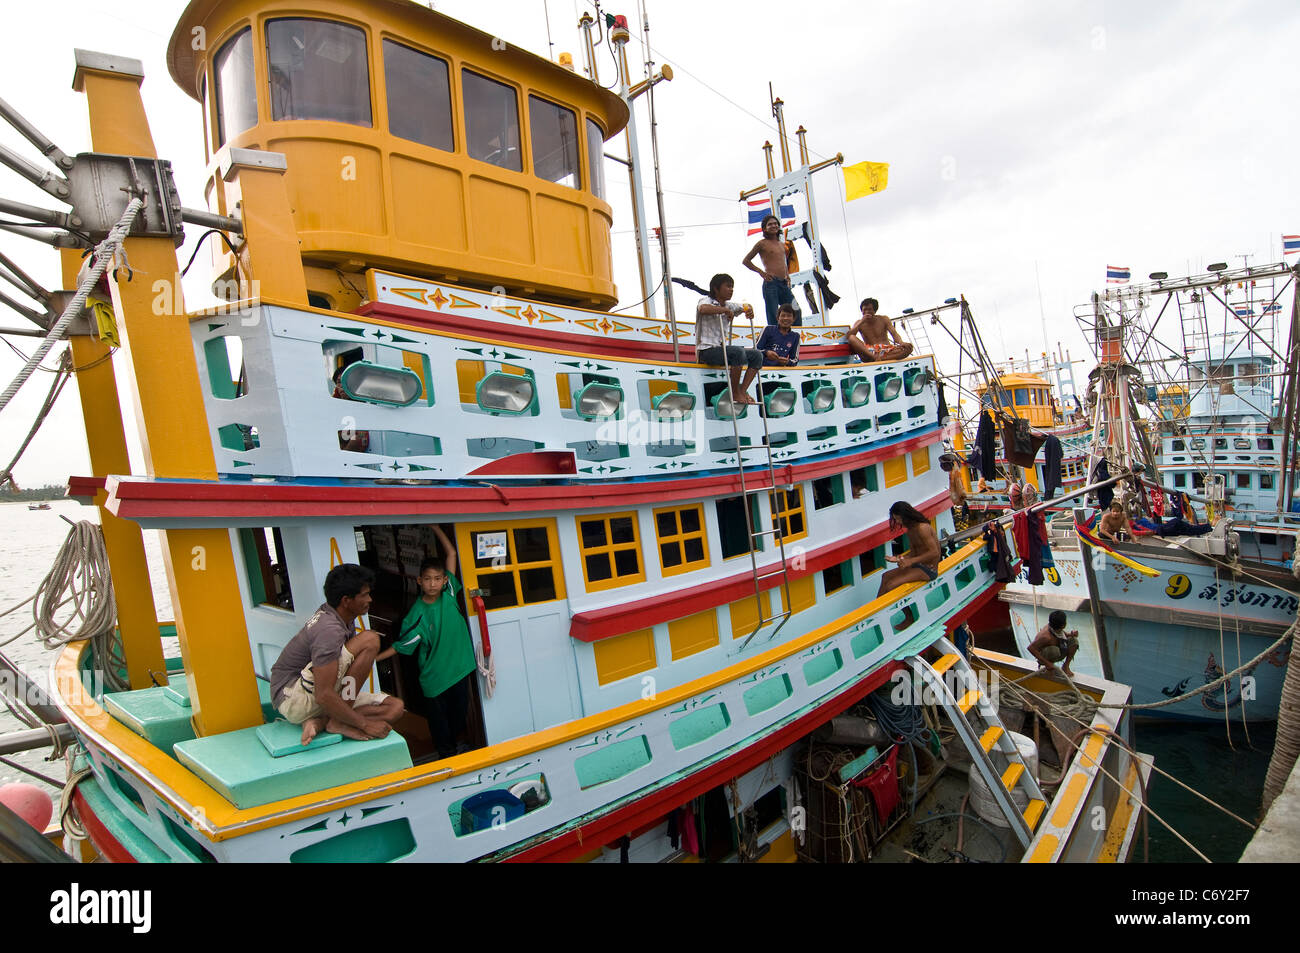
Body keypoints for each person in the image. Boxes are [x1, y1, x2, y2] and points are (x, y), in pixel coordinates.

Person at [268, 564, 406, 745]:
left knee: (395, 708)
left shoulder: (341, 615)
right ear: (346, 601)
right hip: (293, 697)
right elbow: (323, 695)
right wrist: (363, 724)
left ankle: (325, 722)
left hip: (314, 694)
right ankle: (338, 722)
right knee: (370, 639)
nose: (370, 599)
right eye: (364, 595)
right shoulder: (329, 630)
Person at [377, 525, 477, 760]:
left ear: (444, 581)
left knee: (460, 715)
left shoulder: (450, 594)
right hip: (434, 678)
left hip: (460, 669)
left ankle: (455, 750)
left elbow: (451, 553)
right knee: (439, 723)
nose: (433, 584)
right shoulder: (416, 614)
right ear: (419, 581)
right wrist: (373, 658)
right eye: (428, 579)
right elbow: (401, 646)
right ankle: (447, 755)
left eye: (437, 579)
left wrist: (435, 527)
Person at [696, 273, 762, 405]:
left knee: (757, 355)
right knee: (737, 352)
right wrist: (724, 310)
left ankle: (742, 390)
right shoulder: (706, 301)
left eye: (732, 287)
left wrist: (749, 309)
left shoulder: (729, 305)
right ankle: (735, 392)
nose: (731, 290)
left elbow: (745, 306)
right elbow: (702, 309)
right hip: (706, 350)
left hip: (720, 350)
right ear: (716, 288)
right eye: (728, 286)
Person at [877, 501, 941, 599]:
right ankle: (878, 609)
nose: (897, 522)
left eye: (898, 518)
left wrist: (910, 561)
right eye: (895, 519)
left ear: (905, 515)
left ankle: (908, 614)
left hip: (929, 569)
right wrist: (899, 559)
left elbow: (934, 552)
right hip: (918, 565)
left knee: (891, 585)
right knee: (885, 576)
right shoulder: (910, 530)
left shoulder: (922, 528)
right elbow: (914, 553)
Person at [742, 214, 795, 326]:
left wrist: (787, 275)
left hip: (784, 283)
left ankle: (794, 335)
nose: (773, 226)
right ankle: (774, 337)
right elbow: (746, 260)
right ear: (764, 228)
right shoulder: (762, 244)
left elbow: (782, 262)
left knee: (795, 310)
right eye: (770, 224)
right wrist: (761, 272)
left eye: (775, 223)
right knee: (773, 314)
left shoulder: (782, 244)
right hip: (771, 283)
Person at [847, 298, 914, 363]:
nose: (867, 312)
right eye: (864, 310)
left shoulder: (884, 319)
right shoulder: (859, 322)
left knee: (909, 347)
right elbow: (849, 336)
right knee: (851, 337)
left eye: (869, 309)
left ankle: (881, 359)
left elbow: (894, 334)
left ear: (874, 311)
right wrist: (862, 321)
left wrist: (901, 342)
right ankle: (875, 358)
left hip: (887, 350)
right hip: (870, 352)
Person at [1027, 610, 1079, 677]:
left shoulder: (1057, 628)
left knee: (1074, 640)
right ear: (1064, 625)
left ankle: (1066, 666)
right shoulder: (1046, 636)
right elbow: (1031, 648)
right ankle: (1049, 670)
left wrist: (1071, 634)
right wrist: (1047, 663)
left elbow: (1062, 634)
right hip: (1045, 657)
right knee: (1053, 650)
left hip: (1059, 651)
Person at [332, 365, 370, 453]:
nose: (342, 385)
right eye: (338, 382)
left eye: (346, 381)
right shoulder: (334, 406)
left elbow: (358, 437)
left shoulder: (365, 404)